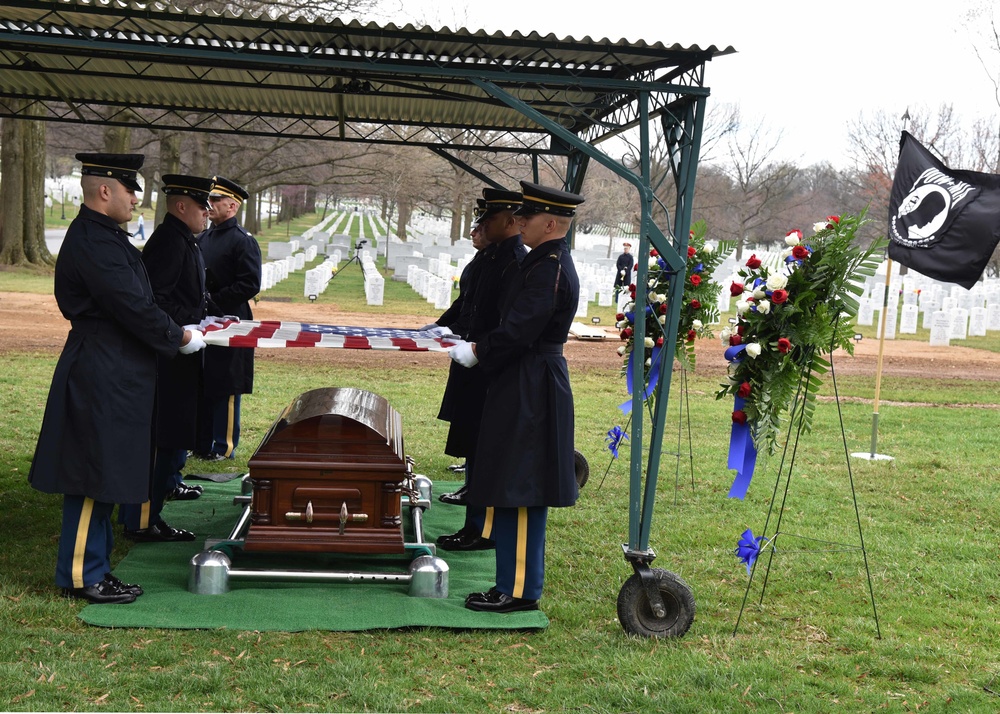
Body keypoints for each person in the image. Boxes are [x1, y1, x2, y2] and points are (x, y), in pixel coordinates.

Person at [28, 153, 207, 605]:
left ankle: (97, 567)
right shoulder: (94, 241)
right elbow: (131, 305)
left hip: (116, 365)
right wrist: (179, 335)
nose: (136, 199)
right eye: (130, 189)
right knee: (92, 474)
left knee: (106, 470)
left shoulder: (105, 236)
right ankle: (82, 575)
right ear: (104, 190)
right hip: (101, 367)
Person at [448, 180, 583, 613]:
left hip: (534, 379)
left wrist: (478, 350)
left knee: (523, 486)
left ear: (549, 223)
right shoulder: (540, 260)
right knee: (510, 477)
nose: (518, 222)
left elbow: (522, 327)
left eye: (526, 217)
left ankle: (520, 590)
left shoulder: (550, 266)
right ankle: (509, 582)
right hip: (521, 375)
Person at [119, 175, 216, 543]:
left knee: (173, 437)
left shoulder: (183, 239)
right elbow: (155, 300)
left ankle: (148, 512)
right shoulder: (170, 242)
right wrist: (186, 328)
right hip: (169, 355)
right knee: (162, 439)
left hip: (180, 350)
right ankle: (142, 519)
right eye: (202, 206)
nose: (207, 212)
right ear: (181, 206)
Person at [435, 187, 527, 553]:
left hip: (488, 364)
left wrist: (477, 350)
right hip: (472, 357)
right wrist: (439, 329)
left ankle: (483, 529)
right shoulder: (492, 257)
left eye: (488, 218)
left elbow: (505, 321)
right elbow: (468, 303)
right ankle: (474, 520)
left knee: (485, 447)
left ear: (507, 220)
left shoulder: (513, 261)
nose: (482, 225)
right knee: (474, 442)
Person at [423, 200, 488, 499]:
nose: (473, 233)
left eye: (480, 228)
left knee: (474, 417)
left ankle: (474, 479)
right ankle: (470, 473)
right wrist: (440, 326)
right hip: (467, 343)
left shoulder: (496, 262)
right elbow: (463, 301)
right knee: (465, 415)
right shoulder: (480, 260)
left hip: (479, 350)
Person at [194, 176, 261, 461]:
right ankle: (201, 442)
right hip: (203, 319)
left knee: (227, 384)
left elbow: (250, 284)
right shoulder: (203, 237)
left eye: (215, 201)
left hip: (232, 320)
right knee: (205, 381)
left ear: (232, 206)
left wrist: (215, 300)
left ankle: (224, 446)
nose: (209, 205)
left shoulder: (243, 241)